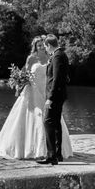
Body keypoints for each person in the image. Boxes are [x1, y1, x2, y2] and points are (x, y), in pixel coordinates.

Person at [0, 36, 73, 160]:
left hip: (47, 90)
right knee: (39, 118)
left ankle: (54, 152)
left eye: (42, 45)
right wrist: (19, 85)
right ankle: (39, 151)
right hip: (33, 91)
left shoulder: (51, 57)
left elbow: (54, 75)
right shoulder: (31, 58)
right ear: (34, 46)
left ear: (46, 46)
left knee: (52, 121)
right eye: (38, 45)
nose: (41, 47)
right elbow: (25, 74)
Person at [37, 34, 70, 165]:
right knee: (55, 124)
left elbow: (56, 79)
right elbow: (64, 76)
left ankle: (52, 156)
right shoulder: (61, 54)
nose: (45, 49)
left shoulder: (57, 56)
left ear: (49, 45)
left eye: (45, 46)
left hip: (55, 96)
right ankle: (57, 155)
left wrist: (50, 98)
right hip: (59, 95)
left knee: (48, 122)